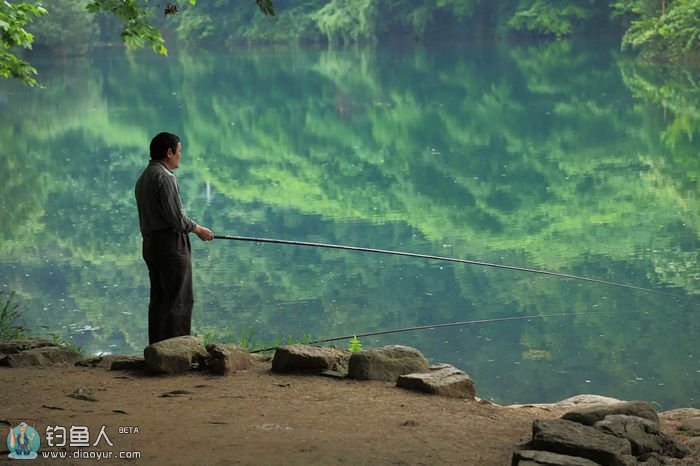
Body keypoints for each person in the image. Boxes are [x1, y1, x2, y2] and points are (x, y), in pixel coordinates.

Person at [135, 132, 214, 345]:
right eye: (179, 151)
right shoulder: (165, 177)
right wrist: (198, 229)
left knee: (160, 299)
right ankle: (177, 352)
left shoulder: (144, 177)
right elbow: (176, 219)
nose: (180, 156)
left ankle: (158, 350)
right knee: (179, 299)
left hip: (151, 244)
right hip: (170, 246)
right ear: (169, 152)